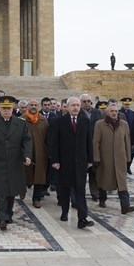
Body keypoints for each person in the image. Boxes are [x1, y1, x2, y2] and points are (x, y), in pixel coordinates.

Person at [0, 96, 32, 230]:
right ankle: (2, 218)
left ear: (12, 109)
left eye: (9, 108)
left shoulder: (21, 124)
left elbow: (27, 141)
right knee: (1, 192)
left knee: (12, 191)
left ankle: (9, 214)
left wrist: (27, 155)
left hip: (14, 162)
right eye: (4, 108)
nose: (6, 111)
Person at [48, 97, 95, 229]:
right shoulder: (59, 121)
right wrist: (55, 160)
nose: (75, 108)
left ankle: (82, 219)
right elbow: (54, 142)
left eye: (77, 105)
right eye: (73, 105)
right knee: (65, 189)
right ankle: (64, 211)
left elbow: (88, 141)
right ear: (67, 107)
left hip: (80, 162)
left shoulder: (85, 120)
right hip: (64, 162)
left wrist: (90, 159)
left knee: (80, 190)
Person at [93, 102, 134, 214]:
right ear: (107, 113)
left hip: (120, 159)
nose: (114, 113)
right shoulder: (100, 124)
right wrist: (96, 157)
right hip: (105, 159)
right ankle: (102, 199)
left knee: (122, 184)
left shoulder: (123, 124)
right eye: (111, 111)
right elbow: (96, 142)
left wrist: (128, 157)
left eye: (116, 111)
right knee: (104, 181)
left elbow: (127, 141)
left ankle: (125, 206)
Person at [22, 99, 48, 209]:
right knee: (23, 172)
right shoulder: (22, 119)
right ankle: (21, 190)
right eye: (31, 105)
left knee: (39, 175)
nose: (33, 107)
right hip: (26, 151)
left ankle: (36, 198)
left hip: (40, 151)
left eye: (35, 105)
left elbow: (47, 136)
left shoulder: (43, 120)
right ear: (27, 106)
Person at [80, 94, 103, 200]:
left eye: (88, 101)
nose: (86, 103)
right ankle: (80, 192)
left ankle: (95, 192)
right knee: (81, 172)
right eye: (84, 101)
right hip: (81, 146)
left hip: (94, 146)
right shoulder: (77, 112)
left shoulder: (97, 112)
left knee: (94, 171)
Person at [119, 97, 134, 174]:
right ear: (122, 104)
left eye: (128, 104)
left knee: (132, 152)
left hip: (130, 135)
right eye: (125, 104)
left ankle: (128, 167)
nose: (127, 106)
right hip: (121, 135)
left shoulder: (133, 113)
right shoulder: (118, 112)